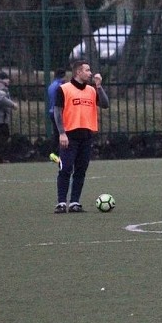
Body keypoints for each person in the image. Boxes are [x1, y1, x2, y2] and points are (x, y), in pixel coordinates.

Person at [53, 60, 109, 213]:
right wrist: (62, 133)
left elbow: (105, 104)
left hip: (86, 136)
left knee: (81, 170)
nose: (90, 73)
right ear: (78, 72)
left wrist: (99, 86)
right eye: (87, 70)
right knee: (65, 169)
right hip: (69, 136)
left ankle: (75, 202)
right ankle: (61, 202)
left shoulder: (91, 90)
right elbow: (57, 112)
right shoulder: (64, 89)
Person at [46, 68, 67, 164]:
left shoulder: (51, 85)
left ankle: (54, 154)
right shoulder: (61, 85)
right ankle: (57, 153)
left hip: (51, 111)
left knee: (56, 133)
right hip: (59, 111)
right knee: (62, 133)